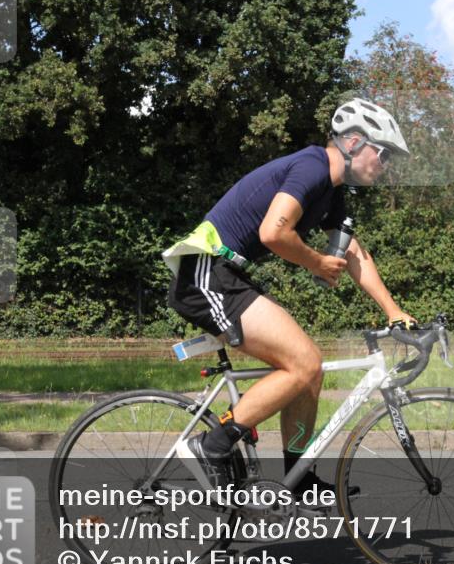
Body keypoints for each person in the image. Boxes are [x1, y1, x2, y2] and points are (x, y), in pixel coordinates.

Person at [162, 98, 416, 497]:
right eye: (382, 153)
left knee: (308, 371)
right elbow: (273, 232)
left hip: (228, 274)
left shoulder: (332, 192)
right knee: (304, 361)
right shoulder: (313, 167)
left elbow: (351, 251)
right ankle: (210, 446)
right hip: (205, 273)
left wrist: (394, 311)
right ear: (352, 143)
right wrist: (316, 262)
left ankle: (298, 480)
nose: (385, 164)